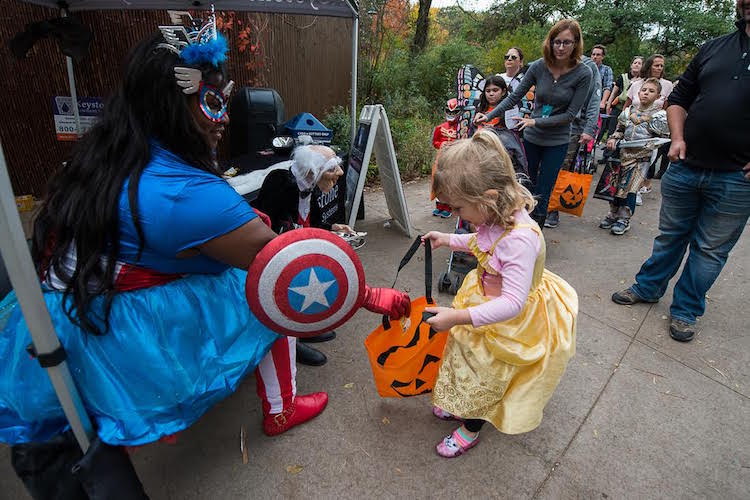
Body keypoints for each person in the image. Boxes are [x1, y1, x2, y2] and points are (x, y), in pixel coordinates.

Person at [0, 23, 410, 492]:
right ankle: (281, 407)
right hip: (110, 325)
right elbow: (285, 265)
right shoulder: (182, 194)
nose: (224, 118)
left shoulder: (111, 153)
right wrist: (368, 294)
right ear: (169, 104)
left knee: (66, 441)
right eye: (213, 102)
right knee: (262, 297)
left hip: (64, 308)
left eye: (225, 100)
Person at [420, 130, 577, 458]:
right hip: (484, 303)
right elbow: (481, 242)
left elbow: (513, 303)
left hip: (508, 320)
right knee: (467, 357)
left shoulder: (519, 240)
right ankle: (461, 401)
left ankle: (471, 427)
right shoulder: (493, 217)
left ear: (488, 199)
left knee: (487, 374)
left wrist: (458, 317)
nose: (457, 216)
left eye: (460, 208)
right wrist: (447, 239)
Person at [612, 1, 750, 342]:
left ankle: (686, 310)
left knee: (710, 249)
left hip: (736, 178)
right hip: (686, 164)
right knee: (670, 237)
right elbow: (680, 99)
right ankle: (647, 288)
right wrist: (676, 137)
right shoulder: (715, 47)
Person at [474, 19, 593, 228]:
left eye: (567, 42)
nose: (561, 47)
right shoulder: (539, 66)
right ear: (550, 42)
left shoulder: (583, 73)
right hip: (532, 138)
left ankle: (535, 233)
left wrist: (534, 121)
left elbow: (571, 115)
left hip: (557, 140)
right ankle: (519, 230)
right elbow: (513, 97)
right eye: (557, 42)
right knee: (523, 185)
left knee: (544, 189)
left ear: (576, 44)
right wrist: (489, 114)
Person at [252, 143, 350, 366]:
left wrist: (332, 228)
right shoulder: (280, 183)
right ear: (312, 171)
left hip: (295, 251)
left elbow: (312, 221)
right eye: (332, 168)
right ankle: (289, 339)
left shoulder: (309, 186)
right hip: (275, 257)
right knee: (284, 295)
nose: (340, 173)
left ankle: (301, 329)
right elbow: (269, 227)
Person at [600, 78, 670, 235]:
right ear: (638, 92)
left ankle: (624, 218)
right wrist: (613, 138)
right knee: (615, 186)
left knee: (629, 189)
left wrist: (652, 145)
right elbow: (619, 130)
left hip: (641, 159)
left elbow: (663, 137)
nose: (646, 93)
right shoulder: (628, 112)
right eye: (644, 90)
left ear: (658, 96)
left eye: (651, 91)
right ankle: (613, 213)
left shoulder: (659, 116)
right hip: (622, 154)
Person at [544, 53, 602, 229]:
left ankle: (552, 209)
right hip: (547, 122)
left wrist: (589, 128)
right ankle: (539, 205)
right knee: (543, 167)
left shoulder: (588, 66)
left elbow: (594, 99)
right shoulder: (551, 61)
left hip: (572, 126)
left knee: (561, 167)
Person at [602, 56, 643, 161]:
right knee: (612, 132)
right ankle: (607, 156)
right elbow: (613, 93)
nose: (637, 65)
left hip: (632, 111)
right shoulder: (623, 77)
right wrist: (608, 106)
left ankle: (617, 156)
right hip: (618, 109)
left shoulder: (643, 81)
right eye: (635, 62)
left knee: (625, 133)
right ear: (631, 65)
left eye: (639, 63)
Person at [431, 98, 462, 218]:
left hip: (455, 159)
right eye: (449, 112)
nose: (451, 115)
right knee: (438, 181)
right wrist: (442, 145)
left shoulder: (461, 128)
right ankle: (439, 206)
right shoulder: (440, 127)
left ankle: (449, 207)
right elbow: (435, 142)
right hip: (441, 158)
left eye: (454, 112)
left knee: (450, 182)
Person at [590, 44, 614, 143]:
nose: (595, 57)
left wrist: (603, 102)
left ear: (602, 56)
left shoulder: (606, 70)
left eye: (598, 55)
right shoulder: (586, 67)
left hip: (597, 101)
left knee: (595, 127)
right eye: (593, 54)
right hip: (585, 99)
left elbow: (607, 87)